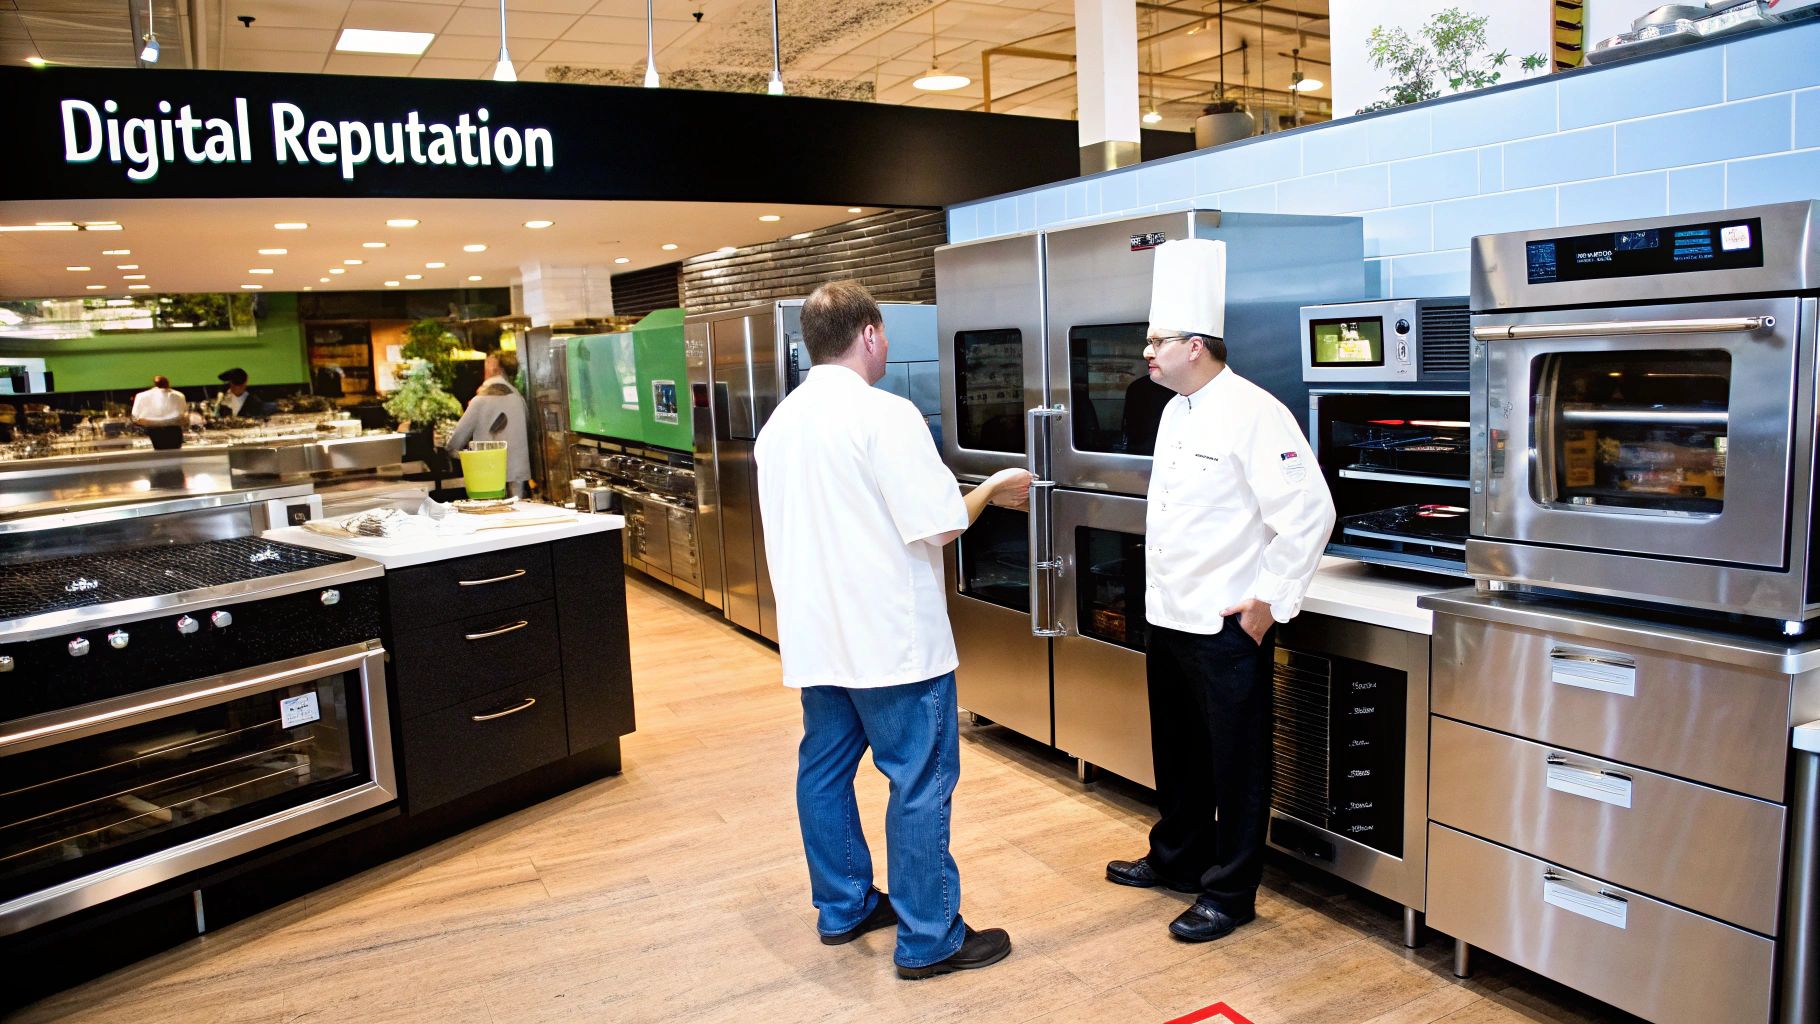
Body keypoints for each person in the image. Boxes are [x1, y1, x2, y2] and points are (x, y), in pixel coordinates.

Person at [754, 280, 1028, 981]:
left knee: (823, 772)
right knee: (918, 782)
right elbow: (938, 524)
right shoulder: (887, 415)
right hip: (893, 644)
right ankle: (930, 937)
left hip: (819, 640)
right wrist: (995, 486)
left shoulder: (779, 424)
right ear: (870, 334)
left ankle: (843, 907)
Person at [1104, 239, 1336, 943]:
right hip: (1167, 612)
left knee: (1235, 765)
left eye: (1157, 341)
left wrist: (1271, 602)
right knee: (1176, 750)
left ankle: (1229, 892)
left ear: (1196, 345)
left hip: (1227, 621)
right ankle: (1177, 858)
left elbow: (1309, 512)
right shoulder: (1173, 409)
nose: (1147, 352)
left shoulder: (1255, 411)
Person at [446, 350, 531, 497]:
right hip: (518, 474)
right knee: (517, 512)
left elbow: (456, 440)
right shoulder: (518, 398)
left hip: (489, 474)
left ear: (495, 369)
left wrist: (454, 451)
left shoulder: (481, 400)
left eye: (487, 365)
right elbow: (529, 430)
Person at [131, 374, 189, 450]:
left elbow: (135, 416)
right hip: (174, 429)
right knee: (175, 453)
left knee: (160, 452)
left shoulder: (141, 396)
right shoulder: (178, 395)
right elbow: (184, 415)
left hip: (154, 430)